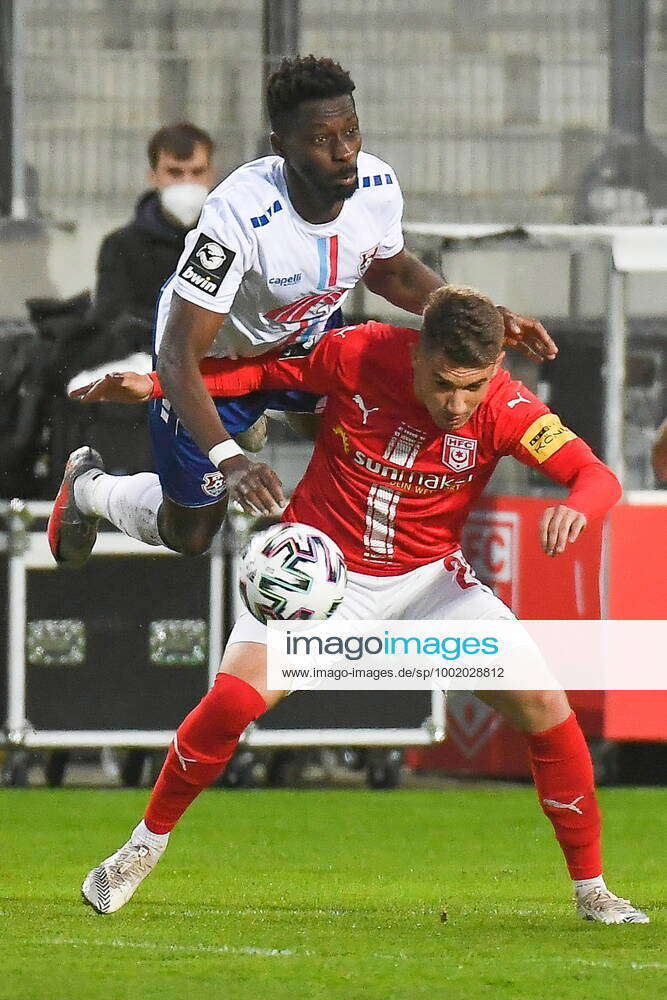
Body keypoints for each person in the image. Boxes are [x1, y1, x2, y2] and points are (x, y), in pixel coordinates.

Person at [77, 285, 647, 924]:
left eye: (474, 386)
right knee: (232, 701)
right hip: (320, 576)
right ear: (416, 353)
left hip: (429, 584)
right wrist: (156, 384)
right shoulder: (360, 354)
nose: (458, 405)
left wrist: (577, 507)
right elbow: (263, 370)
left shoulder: (509, 408)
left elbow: (599, 477)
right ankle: (139, 850)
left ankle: (593, 889)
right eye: (443, 384)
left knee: (546, 705)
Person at [48, 55, 555, 569]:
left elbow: (393, 272)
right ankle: (91, 488)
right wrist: (232, 461)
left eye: (351, 132)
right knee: (193, 531)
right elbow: (178, 356)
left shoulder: (377, 187)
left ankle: (363, 586)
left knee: (365, 441)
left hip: (306, 343)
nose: (344, 152)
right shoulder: (237, 214)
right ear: (282, 147)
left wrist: (477, 312)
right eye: (321, 139)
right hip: (214, 363)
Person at [94, 121, 216, 336]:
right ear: (153, 177)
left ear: (210, 176)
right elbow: (111, 317)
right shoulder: (122, 246)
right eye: (175, 173)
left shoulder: (230, 240)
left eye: (197, 172)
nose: (187, 182)